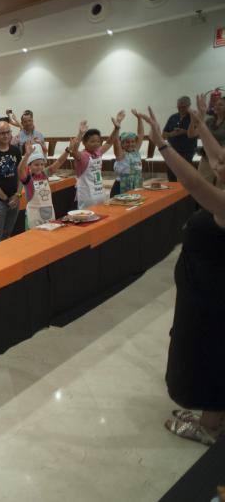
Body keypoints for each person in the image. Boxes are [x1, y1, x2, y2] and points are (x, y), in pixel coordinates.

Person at [138, 106, 225, 446]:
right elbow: (217, 156)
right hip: (204, 289)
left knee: (209, 353)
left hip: (213, 296)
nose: (218, 163)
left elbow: (192, 182)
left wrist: (161, 145)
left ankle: (210, 423)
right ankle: (213, 414)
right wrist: (200, 125)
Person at [69, 111, 125, 209]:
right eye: (92, 141)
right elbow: (74, 152)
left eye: (98, 141)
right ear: (84, 143)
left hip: (99, 193)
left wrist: (117, 127)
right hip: (86, 196)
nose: (96, 144)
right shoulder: (83, 156)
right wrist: (80, 134)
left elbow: (110, 141)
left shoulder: (98, 153)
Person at [17, 141, 70, 227]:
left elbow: (59, 161)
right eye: (36, 165)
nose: (40, 167)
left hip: (49, 212)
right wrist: (27, 155)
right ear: (29, 166)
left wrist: (68, 150)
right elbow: (20, 170)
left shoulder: (45, 174)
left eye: (42, 164)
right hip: (34, 215)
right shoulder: (28, 178)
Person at [189, 93, 225, 187]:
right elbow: (191, 134)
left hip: (222, 161)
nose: (216, 106)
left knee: (221, 189)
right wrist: (194, 119)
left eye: (220, 104)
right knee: (202, 186)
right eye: (216, 104)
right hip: (206, 158)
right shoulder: (210, 121)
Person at [162, 96, 198, 182]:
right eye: (179, 107)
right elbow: (163, 135)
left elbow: (198, 134)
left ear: (189, 106)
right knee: (171, 176)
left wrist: (184, 132)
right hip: (171, 151)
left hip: (187, 152)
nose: (181, 109)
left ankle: (186, 195)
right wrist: (172, 134)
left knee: (186, 176)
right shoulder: (173, 117)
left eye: (183, 107)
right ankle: (172, 194)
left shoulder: (194, 117)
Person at [111, 110, 145, 195]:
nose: (130, 144)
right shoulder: (121, 154)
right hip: (122, 186)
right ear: (122, 144)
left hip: (136, 183)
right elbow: (116, 142)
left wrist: (139, 118)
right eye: (127, 142)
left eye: (132, 141)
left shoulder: (135, 151)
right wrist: (117, 126)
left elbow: (140, 134)